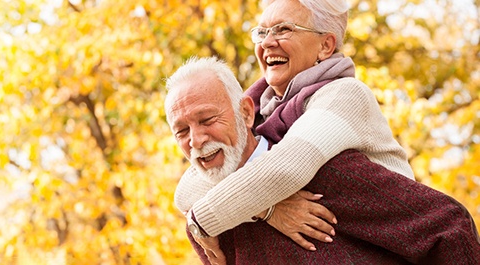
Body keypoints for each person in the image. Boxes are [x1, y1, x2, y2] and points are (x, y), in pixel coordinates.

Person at [164, 56, 480, 264]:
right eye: (181, 131)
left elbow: (449, 225)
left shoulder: (328, 172)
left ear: (246, 112)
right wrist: (267, 209)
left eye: (207, 119)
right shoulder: (205, 227)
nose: (196, 140)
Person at [173, 0, 415, 256]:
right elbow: (188, 189)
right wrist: (269, 209)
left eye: (283, 29)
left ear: (325, 45)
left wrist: (201, 221)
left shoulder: (346, 95)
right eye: (262, 32)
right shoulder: (256, 110)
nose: (267, 43)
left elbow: (286, 169)